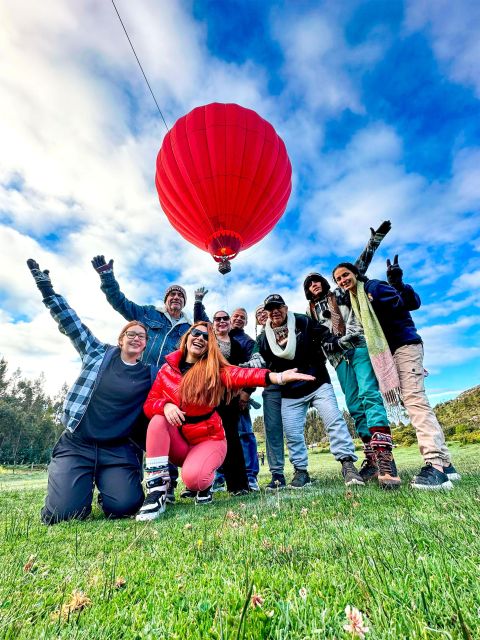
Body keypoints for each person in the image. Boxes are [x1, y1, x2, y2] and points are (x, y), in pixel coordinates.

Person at [135, 322, 314, 520]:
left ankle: (205, 481)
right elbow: (150, 403)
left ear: (210, 345)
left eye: (206, 337)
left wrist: (278, 377)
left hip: (207, 439)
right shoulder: (166, 370)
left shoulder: (214, 370)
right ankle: (157, 490)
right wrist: (165, 406)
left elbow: (243, 374)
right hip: (180, 442)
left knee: (194, 480)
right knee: (157, 420)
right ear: (186, 337)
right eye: (196, 333)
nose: (200, 338)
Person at [27, 260, 158, 524]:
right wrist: (48, 291)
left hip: (118, 448)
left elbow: (184, 375)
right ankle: (74, 484)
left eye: (141, 336)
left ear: (145, 345)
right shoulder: (98, 353)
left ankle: (109, 488)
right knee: (65, 515)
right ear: (121, 339)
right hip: (78, 443)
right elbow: (72, 324)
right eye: (130, 333)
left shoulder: (150, 373)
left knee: (126, 506)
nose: (136, 337)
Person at [332, 257, 460, 490]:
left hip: (404, 344)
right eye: (338, 278)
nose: (342, 280)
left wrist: (397, 284)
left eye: (345, 275)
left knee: (414, 401)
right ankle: (447, 464)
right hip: (395, 350)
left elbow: (408, 303)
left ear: (355, 274)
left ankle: (435, 467)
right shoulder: (356, 300)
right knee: (414, 401)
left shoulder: (372, 288)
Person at [302, 221, 400, 488]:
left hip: (357, 347)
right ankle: (371, 456)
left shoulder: (341, 293)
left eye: (316, 281)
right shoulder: (310, 314)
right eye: (309, 285)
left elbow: (358, 267)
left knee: (369, 393)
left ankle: (385, 457)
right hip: (337, 358)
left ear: (326, 282)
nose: (314, 285)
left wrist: (373, 242)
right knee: (355, 405)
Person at [91, 255, 191, 502]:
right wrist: (107, 277)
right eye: (172, 295)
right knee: (133, 431)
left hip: (169, 387)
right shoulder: (148, 314)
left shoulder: (187, 328)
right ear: (165, 300)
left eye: (180, 296)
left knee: (164, 429)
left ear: (184, 302)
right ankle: (127, 482)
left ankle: (166, 485)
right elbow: (120, 302)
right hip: (140, 381)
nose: (175, 298)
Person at [252, 294, 365, 488]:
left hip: (317, 381)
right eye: (270, 309)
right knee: (293, 433)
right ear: (267, 313)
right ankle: (301, 471)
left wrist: (332, 341)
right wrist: (254, 359)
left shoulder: (302, 321)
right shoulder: (263, 338)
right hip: (289, 391)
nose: (275, 311)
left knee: (334, 420)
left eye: (278, 307)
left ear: (286, 308)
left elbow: (323, 333)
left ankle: (347, 464)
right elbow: (257, 354)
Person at [194, 291, 260, 491]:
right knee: (207, 438)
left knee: (232, 437)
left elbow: (247, 371)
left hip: (228, 397)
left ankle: (239, 485)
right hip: (207, 397)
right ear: (212, 323)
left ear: (230, 324)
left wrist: (246, 392)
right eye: (218, 318)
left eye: (225, 319)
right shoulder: (206, 341)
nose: (222, 321)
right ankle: (205, 482)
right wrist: (198, 301)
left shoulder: (239, 346)